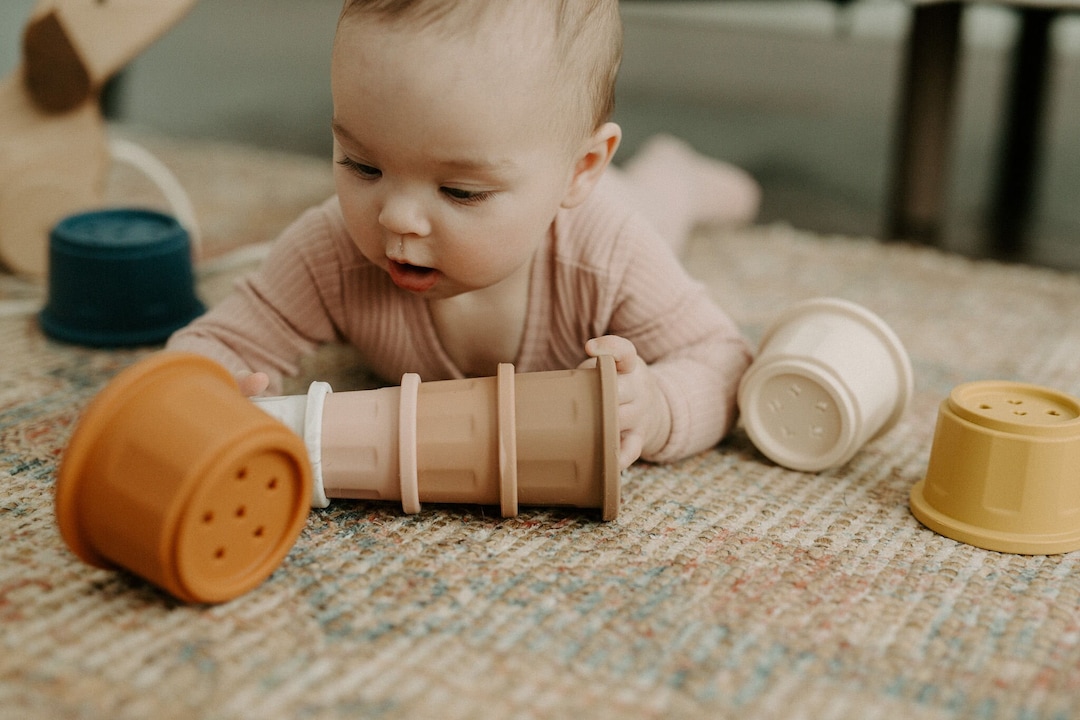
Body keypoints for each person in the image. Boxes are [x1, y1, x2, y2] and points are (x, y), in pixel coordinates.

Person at [167, 0, 758, 469]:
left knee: (657, 200)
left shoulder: (609, 252)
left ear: (579, 170)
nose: (396, 217)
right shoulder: (329, 250)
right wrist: (198, 395)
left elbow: (723, 360)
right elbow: (220, 343)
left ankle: (680, 172)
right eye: (362, 165)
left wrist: (657, 409)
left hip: (625, 207)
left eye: (461, 191)